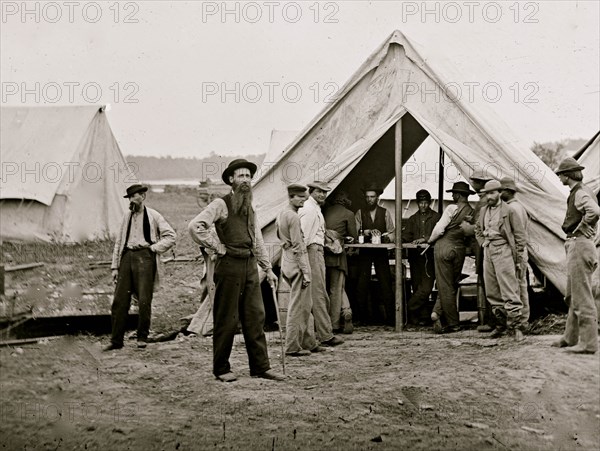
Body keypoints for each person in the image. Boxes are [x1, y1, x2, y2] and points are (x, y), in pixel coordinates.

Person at [188, 159, 284, 381]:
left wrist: (267, 268)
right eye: (241, 176)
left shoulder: (250, 206)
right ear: (231, 180)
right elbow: (196, 226)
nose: (246, 181)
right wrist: (216, 246)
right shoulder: (221, 204)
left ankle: (260, 367)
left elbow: (257, 239)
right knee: (226, 319)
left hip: (250, 266)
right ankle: (221, 369)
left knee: (255, 317)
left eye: (249, 177)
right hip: (229, 266)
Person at [104, 184, 176, 351]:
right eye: (129, 197)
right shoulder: (126, 217)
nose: (131, 200)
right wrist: (115, 267)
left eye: (134, 196)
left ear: (143, 197)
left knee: (144, 299)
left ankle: (142, 337)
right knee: (120, 300)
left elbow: (171, 236)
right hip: (127, 257)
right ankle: (116, 341)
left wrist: (153, 248)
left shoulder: (154, 216)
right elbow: (119, 243)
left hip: (145, 257)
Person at [552, 157, 599, 354]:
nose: (559, 177)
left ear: (568, 175)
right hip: (577, 245)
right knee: (572, 295)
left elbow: (595, 211)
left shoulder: (580, 193)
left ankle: (588, 343)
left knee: (582, 296)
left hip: (579, 245)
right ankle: (570, 337)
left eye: (561, 174)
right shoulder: (581, 191)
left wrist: (583, 226)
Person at [276, 184, 324, 356]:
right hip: (297, 264)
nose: (304, 200)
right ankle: (292, 346)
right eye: (301, 197)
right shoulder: (294, 217)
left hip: (286, 262)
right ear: (292, 197)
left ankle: (309, 342)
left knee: (306, 304)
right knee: (298, 306)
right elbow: (299, 246)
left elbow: (280, 236)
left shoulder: (282, 213)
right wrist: (305, 271)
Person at [477, 180, 527, 341]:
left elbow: (520, 237)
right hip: (488, 251)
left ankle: (516, 327)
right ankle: (500, 324)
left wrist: (518, 258)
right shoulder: (484, 210)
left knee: (509, 288)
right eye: (487, 194)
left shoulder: (509, 210)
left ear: (499, 193)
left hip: (503, 250)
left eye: (492, 193)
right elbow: (478, 229)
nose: (489, 197)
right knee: (491, 289)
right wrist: (482, 242)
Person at [298, 181, 345, 347]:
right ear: (311, 192)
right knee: (318, 294)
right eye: (319, 192)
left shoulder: (315, 207)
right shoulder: (310, 209)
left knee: (317, 294)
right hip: (312, 251)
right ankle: (325, 335)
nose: (322, 195)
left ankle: (314, 335)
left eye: (325, 193)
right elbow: (304, 237)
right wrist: (303, 259)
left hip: (317, 250)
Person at [427, 181, 474, 333]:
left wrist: (430, 240)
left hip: (444, 247)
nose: (452, 196)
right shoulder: (471, 212)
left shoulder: (451, 208)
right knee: (451, 284)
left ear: (458, 195)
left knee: (444, 285)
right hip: (459, 249)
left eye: (453, 193)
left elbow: (439, 229)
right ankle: (436, 312)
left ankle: (453, 323)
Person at [354, 183, 395, 326]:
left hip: (380, 251)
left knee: (385, 283)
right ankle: (362, 319)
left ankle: (391, 319)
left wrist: (386, 237)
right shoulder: (360, 213)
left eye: (372, 197)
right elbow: (355, 231)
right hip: (365, 251)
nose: (369, 199)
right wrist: (364, 232)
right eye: (367, 197)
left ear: (377, 197)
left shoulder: (385, 212)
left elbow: (392, 232)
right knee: (362, 285)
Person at [460, 169, 495, 333]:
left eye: (474, 181)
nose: (472, 183)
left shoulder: (483, 202)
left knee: (486, 281)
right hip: (483, 245)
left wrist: (468, 227)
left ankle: (488, 319)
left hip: (482, 247)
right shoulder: (482, 201)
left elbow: (479, 227)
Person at [401, 189, 441, 326]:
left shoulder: (436, 217)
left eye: (425, 203)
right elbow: (407, 235)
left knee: (426, 288)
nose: (423, 205)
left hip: (429, 258)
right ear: (417, 203)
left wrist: (425, 239)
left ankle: (407, 309)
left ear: (429, 203)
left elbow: (440, 234)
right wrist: (401, 238)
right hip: (415, 258)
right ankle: (420, 317)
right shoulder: (413, 219)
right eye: (420, 203)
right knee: (417, 286)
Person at [323, 190, 358, 333]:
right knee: (336, 289)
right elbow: (354, 236)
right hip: (337, 256)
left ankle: (345, 310)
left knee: (326, 289)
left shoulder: (324, 211)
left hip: (323, 254)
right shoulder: (348, 214)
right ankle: (335, 323)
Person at [499, 177, 531, 332]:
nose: (499, 193)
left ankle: (521, 322)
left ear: (507, 191)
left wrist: (517, 257)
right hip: (520, 250)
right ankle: (523, 321)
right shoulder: (518, 206)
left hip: (517, 251)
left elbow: (519, 236)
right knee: (520, 285)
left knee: (517, 286)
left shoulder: (513, 209)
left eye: (501, 190)